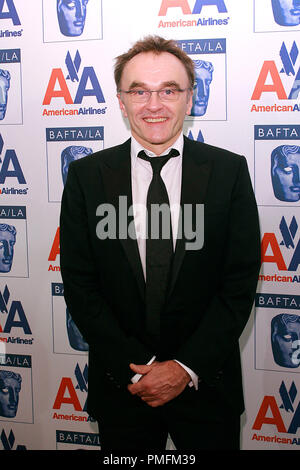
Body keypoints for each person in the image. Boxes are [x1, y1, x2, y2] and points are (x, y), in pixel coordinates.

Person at [60, 35, 261, 451]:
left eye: (168, 90)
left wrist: (184, 368)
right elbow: (81, 286)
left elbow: (238, 284)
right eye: (139, 91)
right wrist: (139, 370)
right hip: (123, 389)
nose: (154, 105)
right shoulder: (86, 176)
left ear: (189, 100)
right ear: (121, 101)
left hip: (207, 389)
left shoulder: (229, 172)